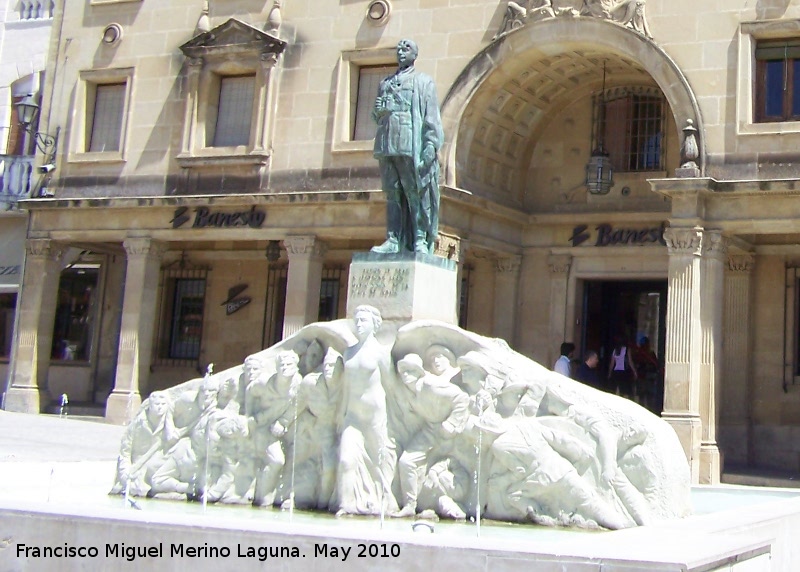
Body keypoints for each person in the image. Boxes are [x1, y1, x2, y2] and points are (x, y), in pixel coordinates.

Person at [371, 39, 444, 255]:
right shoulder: (385, 83)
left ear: (415, 54)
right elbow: (377, 117)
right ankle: (393, 238)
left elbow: (432, 117)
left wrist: (430, 145)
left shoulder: (423, 82)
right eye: (399, 49)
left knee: (415, 192)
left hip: (410, 144)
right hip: (387, 143)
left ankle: (420, 238)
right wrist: (378, 112)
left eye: (406, 49)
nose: (401, 53)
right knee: (392, 192)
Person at [335, 305, 398, 516]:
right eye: (357, 320)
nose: (359, 324)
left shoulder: (380, 353)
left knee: (380, 460)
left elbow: (390, 385)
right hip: (353, 416)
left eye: (364, 321)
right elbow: (346, 386)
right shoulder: (348, 352)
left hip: (375, 416)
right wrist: (341, 412)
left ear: (374, 325)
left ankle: (386, 500)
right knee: (346, 459)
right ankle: (347, 503)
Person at [392, 353, 469, 518]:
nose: (405, 374)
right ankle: (409, 506)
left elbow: (462, 398)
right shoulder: (408, 391)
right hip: (429, 430)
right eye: (403, 370)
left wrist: (451, 424)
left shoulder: (431, 385)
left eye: (410, 370)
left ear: (419, 371)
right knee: (406, 462)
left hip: (446, 430)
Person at [244, 351, 302, 507]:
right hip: (259, 426)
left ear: (295, 367)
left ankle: (264, 496)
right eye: (281, 365)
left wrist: (283, 422)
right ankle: (262, 497)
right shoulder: (265, 382)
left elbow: (298, 405)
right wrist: (247, 416)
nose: (285, 368)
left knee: (278, 460)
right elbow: (249, 391)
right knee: (276, 460)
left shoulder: (298, 384)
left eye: (289, 364)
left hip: (275, 429)